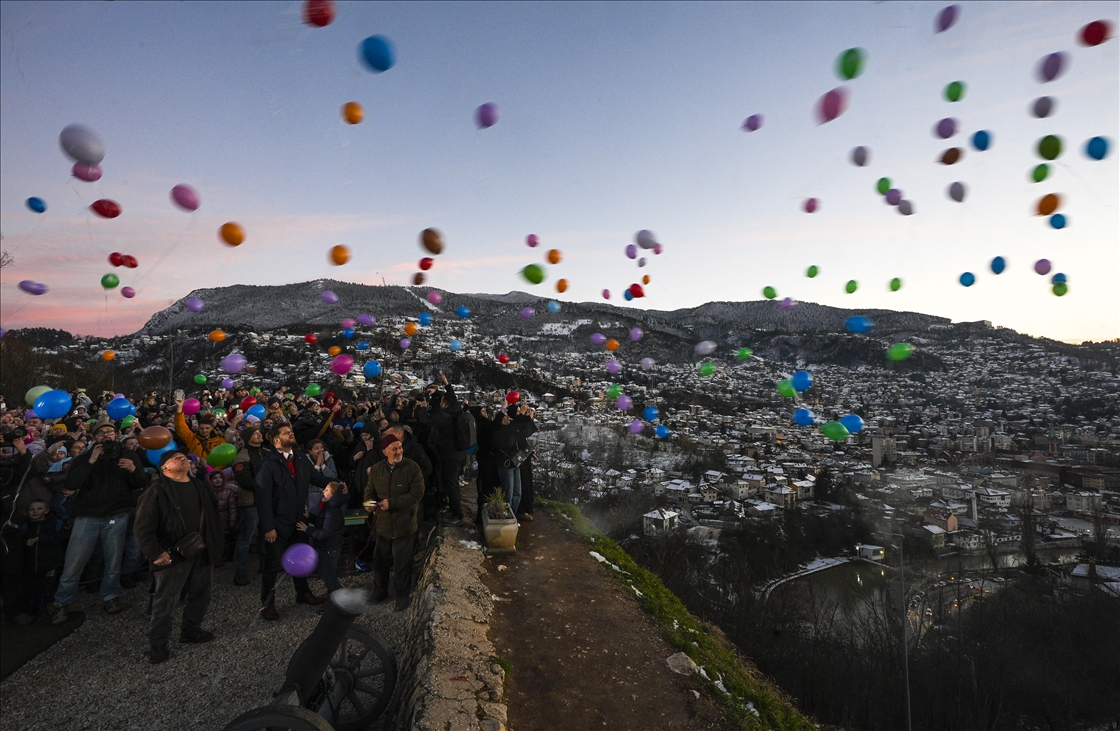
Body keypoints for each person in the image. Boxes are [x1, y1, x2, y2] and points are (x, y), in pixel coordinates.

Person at [50, 416, 148, 625]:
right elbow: (72, 483)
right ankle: (61, 603)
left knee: (113, 561)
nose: (106, 436)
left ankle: (110, 597)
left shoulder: (128, 455)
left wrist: (133, 470)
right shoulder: (83, 458)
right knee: (74, 562)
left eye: (110, 432)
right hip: (87, 517)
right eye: (102, 433)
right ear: (93, 437)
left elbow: (140, 483)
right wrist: (91, 461)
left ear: (116, 435)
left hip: (116, 515)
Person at [134, 450, 223, 664]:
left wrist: (214, 545)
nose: (183, 459)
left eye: (185, 457)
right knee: (166, 600)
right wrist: (155, 552)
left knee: (201, 593)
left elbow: (213, 515)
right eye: (176, 458)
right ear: (164, 467)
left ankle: (191, 630)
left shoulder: (200, 486)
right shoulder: (157, 491)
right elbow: (142, 527)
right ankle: (158, 643)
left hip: (200, 550)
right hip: (171, 554)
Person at [255, 424, 331, 620]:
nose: (292, 433)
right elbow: (262, 498)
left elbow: (314, 477)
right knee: (272, 565)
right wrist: (268, 527)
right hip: (278, 524)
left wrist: (335, 483)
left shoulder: (300, 458)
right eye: (286, 432)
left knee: (300, 559)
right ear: (276, 441)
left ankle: (303, 593)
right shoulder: (269, 464)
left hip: (298, 520)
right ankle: (267, 604)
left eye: (292, 431)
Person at [365, 433, 425, 610]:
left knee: (402, 562)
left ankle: (402, 595)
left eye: (400, 447)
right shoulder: (376, 470)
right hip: (383, 524)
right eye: (394, 449)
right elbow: (369, 491)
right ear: (385, 452)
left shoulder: (412, 468)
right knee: (380, 560)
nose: (399, 451)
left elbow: (417, 494)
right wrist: (369, 504)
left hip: (404, 524)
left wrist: (392, 503)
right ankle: (380, 591)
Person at [14, 499, 70, 624]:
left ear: (47, 510)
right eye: (32, 510)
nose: (35, 512)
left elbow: (62, 536)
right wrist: (25, 542)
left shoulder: (55, 523)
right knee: (30, 589)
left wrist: (41, 539)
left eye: (39, 509)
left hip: (49, 564)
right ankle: (30, 611)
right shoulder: (25, 526)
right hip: (30, 565)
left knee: (45, 589)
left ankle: (42, 611)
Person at [425, 374, 468, 525]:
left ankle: (458, 514)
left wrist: (423, 407)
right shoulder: (457, 411)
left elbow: (427, 421)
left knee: (450, 485)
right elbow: (452, 397)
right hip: (460, 454)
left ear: (444, 404)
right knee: (453, 483)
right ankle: (456, 510)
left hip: (450, 456)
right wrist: (446, 383)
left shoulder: (445, 417)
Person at [230, 425, 266, 586]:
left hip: (265, 502)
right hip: (250, 503)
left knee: (266, 536)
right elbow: (245, 481)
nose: (259, 434)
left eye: (259, 432)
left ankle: (265, 565)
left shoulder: (265, 453)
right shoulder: (241, 457)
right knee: (246, 538)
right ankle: (241, 571)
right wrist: (268, 486)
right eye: (254, 433)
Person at [305, 481, 348, 595]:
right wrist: (310, 517)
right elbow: (322, 522)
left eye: (327, 490)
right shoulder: (328, 508)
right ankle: (334, 594)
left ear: (333, 495)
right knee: (328, 573)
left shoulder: (332, 511)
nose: (323, 492)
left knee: (328, 574)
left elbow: (324, 532)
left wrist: (307, 529)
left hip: (330, 547)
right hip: (328, 546)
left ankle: (335, 599)